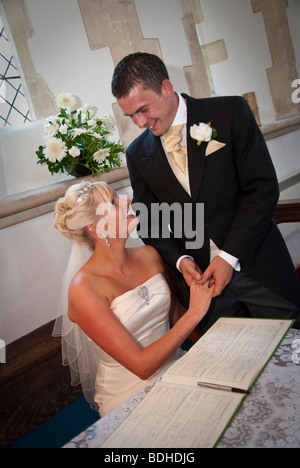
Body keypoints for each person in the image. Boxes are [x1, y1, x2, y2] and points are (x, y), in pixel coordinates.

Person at [111, 52, 300, 331]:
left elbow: (262, 189)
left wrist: (227, 257)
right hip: (205, 292)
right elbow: (150, 222)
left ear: (166, 87)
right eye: (131, 116)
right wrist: (180, 260)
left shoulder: (230, 112)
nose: (140, 123)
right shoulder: (137, 153)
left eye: (143, 109)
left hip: (259, 267)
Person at [53, 181, 213, 416]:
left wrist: (208, 351)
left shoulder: (149, 255)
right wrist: (196, 312)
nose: (127, 202)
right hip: (131, 395)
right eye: (114, 203)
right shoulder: (84, 289)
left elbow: (175, 315)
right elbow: (142, 366)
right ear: (96, 228)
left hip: (178, 366)